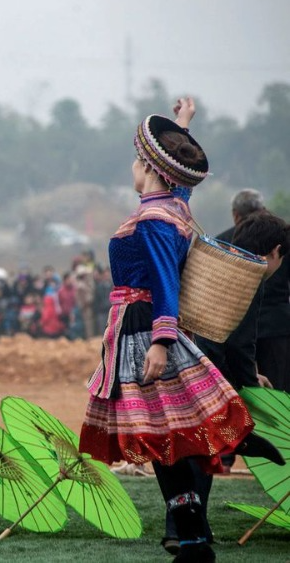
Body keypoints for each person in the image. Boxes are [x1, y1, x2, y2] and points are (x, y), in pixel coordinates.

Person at [79, 98, 284, 563]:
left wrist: (161, 340)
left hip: (143, 329)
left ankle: (192, 542)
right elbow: (182, 186)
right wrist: (183, 129)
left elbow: (165, 282)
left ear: (152, 170)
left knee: (159, 438)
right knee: (170, 433)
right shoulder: (176, 208)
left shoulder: (153, 220)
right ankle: (194, 537)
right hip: (145, 328)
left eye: (138, 162)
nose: (133, 169)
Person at [158, 209, 289, 554]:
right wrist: (248, 385)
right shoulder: (250, 276)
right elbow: (239, 342)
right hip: (206, 370)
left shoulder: (215, 259)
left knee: (187, 446)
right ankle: (188, 529)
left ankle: (185, 527)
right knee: (204, 447)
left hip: (175, 356)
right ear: (275, 251)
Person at [214, 189, 290, 392]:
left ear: (235, 215)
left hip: (225, 337)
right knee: (277, 388)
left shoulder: (222, 242)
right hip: (276, 328)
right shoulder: (279, 239)